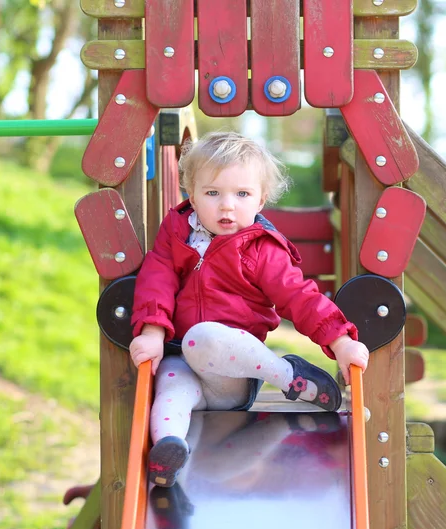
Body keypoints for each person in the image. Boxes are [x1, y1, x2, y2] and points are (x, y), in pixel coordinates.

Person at [129, 131, 369, 488]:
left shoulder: (260, 249)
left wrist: (341, 342)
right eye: (212, 193)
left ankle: (289, 377)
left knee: (202, 336)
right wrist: (152, 332)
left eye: (242, 194)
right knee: (168, 390)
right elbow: (156, 278)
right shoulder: (178, 233)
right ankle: (170, 450)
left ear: (261, 200)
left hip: (233, 376)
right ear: (191, 195)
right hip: (183, 362)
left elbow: (299, 297)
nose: (227, 205)